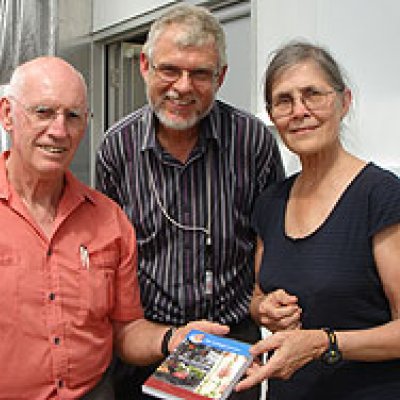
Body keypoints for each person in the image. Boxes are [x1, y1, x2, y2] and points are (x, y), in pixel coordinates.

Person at [0, 56, 229, 399]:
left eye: (73, 116)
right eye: (43, 112)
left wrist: (173, 338)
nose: (59, 131)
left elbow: (126, 330)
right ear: (7, 115)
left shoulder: (109, 220)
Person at [95, 3, 284, 399]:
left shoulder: (253, 142)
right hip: (149, 346)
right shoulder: (117, 148)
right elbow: (109, 257)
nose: (183, 87)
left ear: (221, 77)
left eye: (200, 73)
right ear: (145, 65)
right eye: (170, 70)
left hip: (232, 350)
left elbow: (271, 242)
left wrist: (267, 303)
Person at [235, 41, 400, 399]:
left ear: (344, 102)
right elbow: (258, 294)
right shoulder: (270, 203)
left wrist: (323, 343)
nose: (299, 111)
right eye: (284, 101)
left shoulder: (382, 196)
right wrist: (264, 308)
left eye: (312, 95)